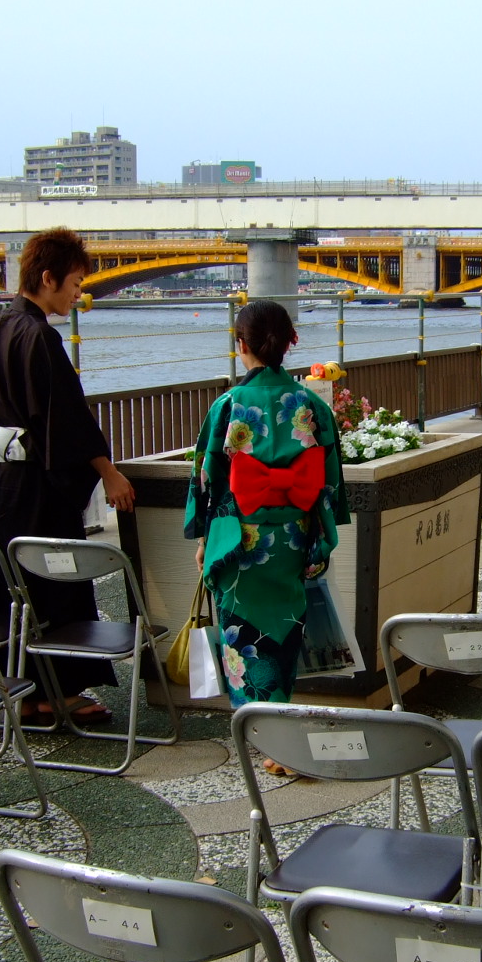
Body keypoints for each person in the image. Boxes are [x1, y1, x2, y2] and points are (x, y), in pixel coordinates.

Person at [0, 227, 135, 725]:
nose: (78, 293)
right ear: (47, 278)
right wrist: (107, 471)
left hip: (6, 480)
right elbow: (65, 416)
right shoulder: (38, 335)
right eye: (75, 282)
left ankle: (26, 689)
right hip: (41, 484)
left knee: (17, 582)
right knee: (55, 581)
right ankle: (57, 692)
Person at [185, 299, 350, 764]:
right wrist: (319, 535)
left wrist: (205, 540)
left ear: (242, 346)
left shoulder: (228, 405)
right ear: (290, 342)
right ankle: (279, 734)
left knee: (241, 637)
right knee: (285, 636)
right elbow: (328, 482)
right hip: (292, 539)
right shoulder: (312, 404)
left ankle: (261, 733)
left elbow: (208, 479)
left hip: (241, 542)